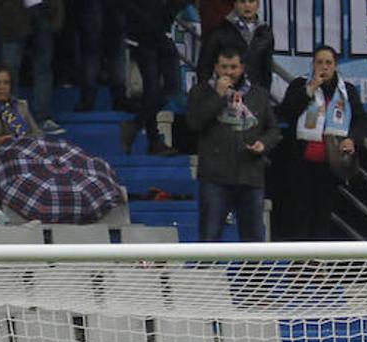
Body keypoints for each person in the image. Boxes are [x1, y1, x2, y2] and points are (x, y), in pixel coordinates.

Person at [187, 46, 280, 242]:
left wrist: (263, 144)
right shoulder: (201, 91)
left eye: (233, 67)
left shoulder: (259, 94)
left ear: (242, 67)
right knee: (209, 237)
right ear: (216, 67)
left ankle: (253, 274)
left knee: (254, 239)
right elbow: (195, 124)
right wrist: (218, 97)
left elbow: (273, 130)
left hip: (250, 176)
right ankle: (207, 273)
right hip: (215, 178)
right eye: (224, 67)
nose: (228, 72)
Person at [276, 45, 367, 241]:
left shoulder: (346, 90)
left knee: (323, 217)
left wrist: (352, 139)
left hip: (330, 164)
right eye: (319, 63)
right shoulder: (300, 85)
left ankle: (319, 267)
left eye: (328, 63)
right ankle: (300, 268)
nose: (324, 67)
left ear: (335, 66)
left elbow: (361, 120)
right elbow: (287, 111)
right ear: (312, 65)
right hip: (301, 163)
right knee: (299, 215)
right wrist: (310, 90)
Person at [118, 0, 186, 156]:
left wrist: (170, 10)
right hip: (142, 35)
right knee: (151, 89)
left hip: (161, 32)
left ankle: (135, 125)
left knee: (173, 87)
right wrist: (142, 18)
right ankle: (153, 142)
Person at [0, 0, 62, 134]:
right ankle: (11, 120)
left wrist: (57, 9)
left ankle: (42, 118)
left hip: (44, 9)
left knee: (43, 67)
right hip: (12, 10)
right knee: (10, 68)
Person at [0, 63, 42, 178]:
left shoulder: (20, 105)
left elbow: (37, 133)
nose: (2, 87)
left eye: (6, 83)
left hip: (20, 160)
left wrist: (25, 142)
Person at [197, 0, 274, 90]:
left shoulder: (265, 32)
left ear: (257, 5)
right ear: (235, 4)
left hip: (254, 95)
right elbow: (204, 66)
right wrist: (209, 92)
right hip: (225, 93)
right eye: (242, 1)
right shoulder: (219, 31)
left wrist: (264, 95)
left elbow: (266, 69)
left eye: (251, 1)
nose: (247, 5)